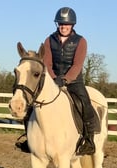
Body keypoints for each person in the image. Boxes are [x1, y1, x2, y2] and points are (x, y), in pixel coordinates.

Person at [16, 7, 96, 155]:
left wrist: (66, 79)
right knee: (32, 106)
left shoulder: (80, 41)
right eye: (60, 24)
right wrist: (54, 79)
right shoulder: (49, 40)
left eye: (66, 24)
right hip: (52, 80)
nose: (63, 27)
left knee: (85, 104)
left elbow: (77, 64)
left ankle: (89, 140)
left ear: (72, 25)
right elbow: (47, 62)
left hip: (74, 81)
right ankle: (29, 138)